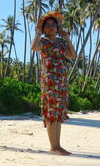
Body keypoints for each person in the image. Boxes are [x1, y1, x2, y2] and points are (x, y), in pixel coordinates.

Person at [31, 11, 77, 156]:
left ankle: (58, 145)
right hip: (50, 81)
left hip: (61, 82)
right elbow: (33, 47)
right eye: (47, 25)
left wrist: (67, 37)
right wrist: (37, 32)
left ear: (57, 28)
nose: (50, 27)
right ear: (44, 29)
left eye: (53, 25)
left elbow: (73, 55)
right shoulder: (43, 41)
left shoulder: (61, 42)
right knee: (51, 112)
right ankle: (53, 147)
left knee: (58, 113)